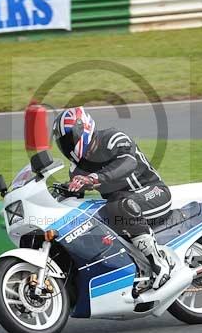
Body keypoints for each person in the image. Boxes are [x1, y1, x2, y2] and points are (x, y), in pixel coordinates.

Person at [52, 106, 174, 290]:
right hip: (123, 205)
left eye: (70, 139)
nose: (68, 146)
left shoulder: (113, 138)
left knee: (121, 206)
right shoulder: (76, 168)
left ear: (83, 128)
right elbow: (76, 194)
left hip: (153, 191)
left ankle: (159, 263)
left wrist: (95, 178)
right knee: (94, 218)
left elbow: (128, 163)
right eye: (63, 143)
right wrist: (59, 192)